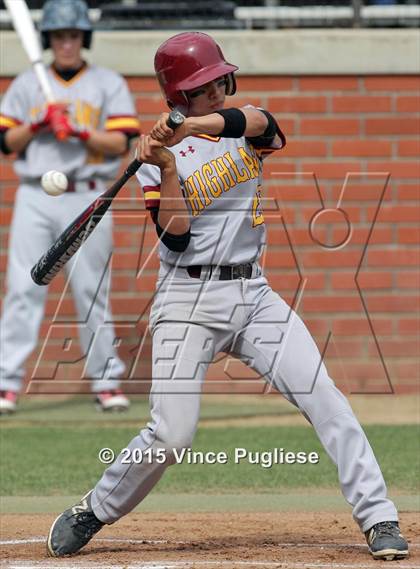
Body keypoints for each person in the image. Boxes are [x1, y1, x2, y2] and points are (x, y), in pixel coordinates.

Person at [45, 32, 408, 561]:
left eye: (217, 80)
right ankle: (93, 510)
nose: (214, 90)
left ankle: (379, 518)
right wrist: (167, 166)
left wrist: (190, 125)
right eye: (199, 87)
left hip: (254, 293)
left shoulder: (244, 124)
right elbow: (176, 235)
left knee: (326, 398)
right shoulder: (153, 162)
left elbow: (261, 124)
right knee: (171, 435)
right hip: (186, 299)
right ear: (175, 95)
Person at [0, 0, 140, 413]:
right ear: (49, 40)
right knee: (23, 289)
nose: (66, 44)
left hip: (86, 193)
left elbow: (121, 142)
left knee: (90, 289)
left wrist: (78, 131)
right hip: (35, 195)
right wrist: (40, 123)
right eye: (59, 36)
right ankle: (6, 383)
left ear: (84, 38)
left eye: (73, 36)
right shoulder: (28, 84)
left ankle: (106, 381)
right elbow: (6, 142)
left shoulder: (107, 82)